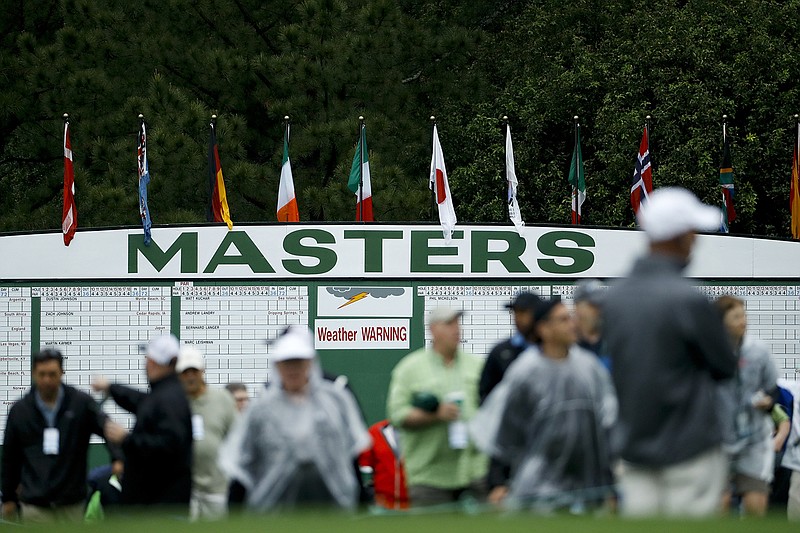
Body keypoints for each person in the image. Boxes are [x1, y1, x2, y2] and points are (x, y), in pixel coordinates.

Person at [602, 187, 738, 517]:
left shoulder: (616, 298)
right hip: (689, 447)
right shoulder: (688, 300)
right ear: (679, 237)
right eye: (692, 232)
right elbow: (725, 366)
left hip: (633, 444)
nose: (696, 240)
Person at [471, 297, 617, 511]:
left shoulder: (589, 368)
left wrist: (608, 485)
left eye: (571, 318)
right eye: (563, 319)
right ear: (544, 329)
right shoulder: (525, 373)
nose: (572, 324)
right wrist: (499, 482)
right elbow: (506, 436)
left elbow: (603, 429)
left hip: (586, 486)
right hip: (536, 488)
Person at [219, 326, 370, 511]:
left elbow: (349, 454)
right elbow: (245, 462)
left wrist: (360, 503)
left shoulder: (335, 402)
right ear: (277, 366)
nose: (293, 369)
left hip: (330, 507)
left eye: (298, 361)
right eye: (287, 362)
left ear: (310, 363)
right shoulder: (261, 409)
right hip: (274, 510)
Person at [1, 349, 119, 523]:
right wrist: (9, 498)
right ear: (34, 373)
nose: (47, 380)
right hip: (34, 505)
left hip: (72, 504)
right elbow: (10, 457)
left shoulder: (80, 404)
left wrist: (117, 458)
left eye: (52, 374)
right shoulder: (20, 411)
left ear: (62, 373)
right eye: (42, 374)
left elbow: (107, 428)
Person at [386, 307, 488, 506]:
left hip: (475, 470)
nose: (456, 329)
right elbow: (397, 415)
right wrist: (435, 415)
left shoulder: (477, 365)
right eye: (449, 324)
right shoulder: (411, 368)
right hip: (430, 475)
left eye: (458, 323)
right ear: (433, 329)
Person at [92, 334, 193, 509]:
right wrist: (111, 388)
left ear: (155, 363)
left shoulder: (168, 399)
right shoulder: (166, 394)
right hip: (160, 499)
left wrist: (126, 439)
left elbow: (168, 445)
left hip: (160, 504)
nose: (146, 365)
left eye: (148, 360)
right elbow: (141, 402)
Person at [715, 295, 780, 516]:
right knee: (718, 503)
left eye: (744, 315)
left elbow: (772, 389)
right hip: (718, 439)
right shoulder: (708, 352)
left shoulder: (758, 351)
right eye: (735, 317)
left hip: (753, 439)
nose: (743, 321)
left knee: (756, 501)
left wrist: (768, 402)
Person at [177, 347, 237, 521]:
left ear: (202, 371)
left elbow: (236, 438)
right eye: (185, 372)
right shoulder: (175, 403)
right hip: (186, 489)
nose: (190, 376)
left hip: (218, 487)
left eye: (194, 371)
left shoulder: (222, 399)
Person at [478, 291, 537, 403]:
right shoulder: (500, 352)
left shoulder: (551, 349)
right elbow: (485, 394)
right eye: (515, 312)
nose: (518, 318)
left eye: (524, 312)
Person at [358, 419, 409, 510]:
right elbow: (364, 466)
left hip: (418, 500)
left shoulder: (426, 432)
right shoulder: (375, 431)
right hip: (384, 503)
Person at [572, 279, 610, 370]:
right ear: (577, 307)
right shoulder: (566, 345)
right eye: (593, 305)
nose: (599, 310)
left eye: (602, 304)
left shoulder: (614, 342)